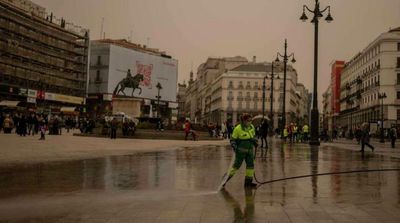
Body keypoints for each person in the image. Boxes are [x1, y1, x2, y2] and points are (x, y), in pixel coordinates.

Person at [222, 113, 258, 188]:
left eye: (250, 120)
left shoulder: (251, 127)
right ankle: (224, 180)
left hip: (250, 150)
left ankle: (248, 183)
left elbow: (253, 136)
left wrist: (255, 141)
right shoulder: (238, 128)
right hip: (240, 151)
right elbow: (233, 139)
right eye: (248, 120)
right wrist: (234, 145)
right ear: (244, 120)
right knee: (236, 166)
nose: (250, 122)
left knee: (250, 166)